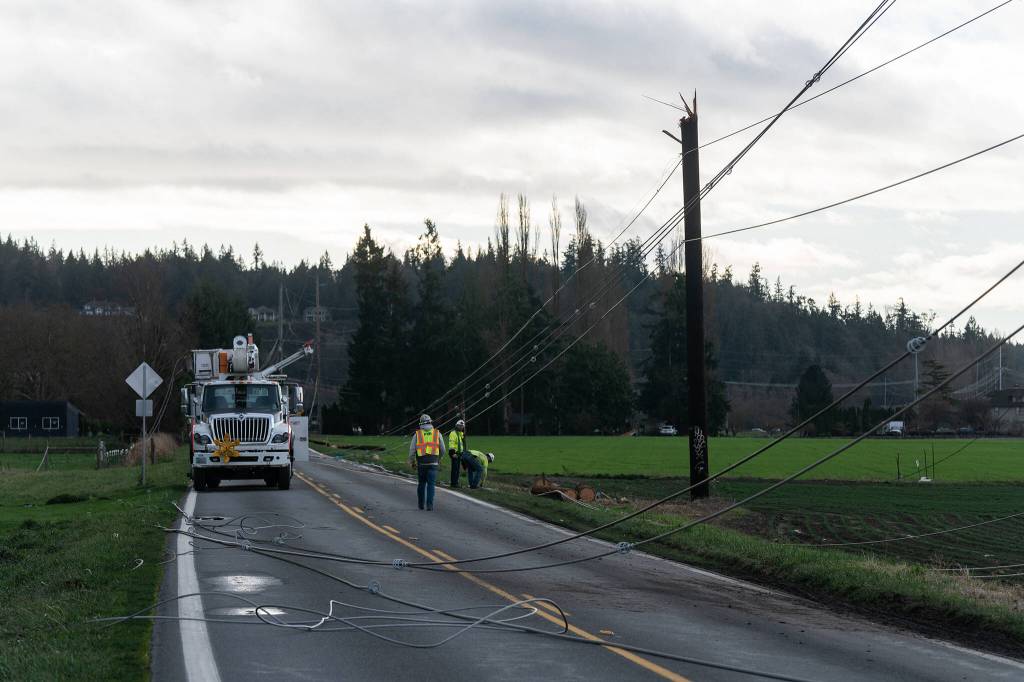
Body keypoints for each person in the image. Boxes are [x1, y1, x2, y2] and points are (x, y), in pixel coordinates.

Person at [408, 414, 446, 510]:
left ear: (420, 423)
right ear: (430, 422)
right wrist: (438, 458)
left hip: (421, 464)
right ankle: (429, 505)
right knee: (431, 485)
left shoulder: (417, 434)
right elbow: (443, 449)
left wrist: (412, 462)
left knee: (421, 484)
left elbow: (412, 450)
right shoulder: (437, 433)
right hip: (433, 463)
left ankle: (421, 505)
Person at [447, 419, 468, 488]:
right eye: (460, 426)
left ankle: (456, 482)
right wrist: (452, 453)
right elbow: (451, 443)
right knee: (455, 469)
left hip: (460, 454)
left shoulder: (460, 434)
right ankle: (453, 483)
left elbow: (463, 444)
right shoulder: (453, 433)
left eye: (462, 426)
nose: (461, 427)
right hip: (455, 453)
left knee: (457, 469)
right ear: (456, 426)